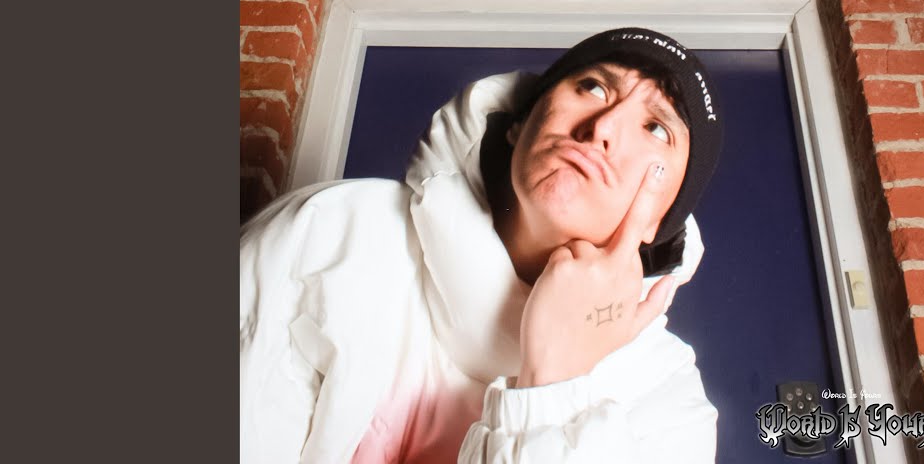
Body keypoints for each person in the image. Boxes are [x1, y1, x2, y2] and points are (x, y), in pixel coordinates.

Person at [240, 27, 724, 463]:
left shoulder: (668, 402)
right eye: (592, 87)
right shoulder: (335, 234)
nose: (602, 128)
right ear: (518, 124)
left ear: (664, 219)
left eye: (655, 128)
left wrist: (552, 380)